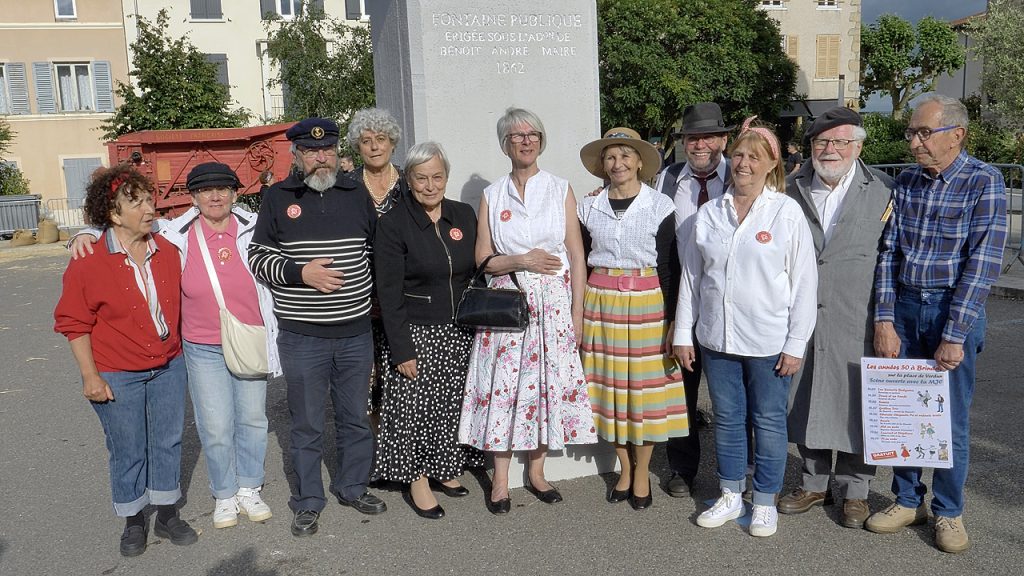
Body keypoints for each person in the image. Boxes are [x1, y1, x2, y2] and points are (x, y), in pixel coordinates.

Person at [69, 163, 281, 532]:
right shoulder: (174, 232)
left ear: (235, 193)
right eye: (205, 190)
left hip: (249, 338)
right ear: (194, 198)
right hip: (201, 345)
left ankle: (250, 487)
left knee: (252, 419)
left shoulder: (256, 226)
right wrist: (82, 234)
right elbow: (120, 230)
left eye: (223, 189)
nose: (215, 196)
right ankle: (225, 494)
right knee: (214, 425)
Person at [866, 93, 1007, 554]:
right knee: (904, 414)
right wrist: (884, 319)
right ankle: (908, 500)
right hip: (904, 306)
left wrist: (954, 335)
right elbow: (888, 252)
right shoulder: (905, 182)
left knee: (948, 419)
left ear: (957, 135)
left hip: (951, 309)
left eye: (924, 133)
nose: (913, 143)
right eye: (911, 133)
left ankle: (948, 511)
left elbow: (982, 264)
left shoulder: (984, 181)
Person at [674, 117, 817, 538]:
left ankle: (766, 499)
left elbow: (804, 282)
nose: (744, 163)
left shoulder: (785, 213)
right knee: (728, 419)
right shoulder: (709, 213)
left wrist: (796, 343)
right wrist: (684, 331)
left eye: (755, 156)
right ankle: (731, 493)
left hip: (769, 340)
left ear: (772, 163)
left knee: (769, 421)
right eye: (738, 154)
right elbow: (692, 278)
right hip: (717, 338)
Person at [248, 117, 385, 538]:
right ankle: (308, 500)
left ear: (336, 152)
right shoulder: (277, 197)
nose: (320, 157)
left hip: (354, 332)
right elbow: (256, 257)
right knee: (306, 423)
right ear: (298, 156)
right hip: (303, 335)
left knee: (354, 417)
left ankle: (352, 485)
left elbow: (376, 251)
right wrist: (300, 272)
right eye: (311, 151)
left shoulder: (355, 192)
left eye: (326, 150)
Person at [458, 107, 598, 514]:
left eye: (533, 134)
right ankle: (500, 481)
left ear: (541, 140)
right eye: (517, 135)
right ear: (505, 144)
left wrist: (577, 315)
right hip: (508, 306)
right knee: (504, 389)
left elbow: (576, 253)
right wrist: (522, 260)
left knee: (543, 386)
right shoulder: (492, 194)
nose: (526, 140)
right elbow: (483, 258)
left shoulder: (559, 188)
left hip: (553, 306)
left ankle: (537, 473)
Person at [54, 165, 197, 557]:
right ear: (114, 214)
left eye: (150, 199)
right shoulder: (88, 260)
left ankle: (167, 514)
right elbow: (73, 322)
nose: (150, 208)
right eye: (137, 203)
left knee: (168, 440)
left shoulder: (166, 251)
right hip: (118, 372)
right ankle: (134, 520)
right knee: (128, 446)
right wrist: (90, 376)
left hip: (168, 365)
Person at [779, 107, 894, 529]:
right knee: (805, 395)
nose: (830, 150)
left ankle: (856, 490)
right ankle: (813, 482)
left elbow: (892, 259)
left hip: (858, 314)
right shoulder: (789, 189)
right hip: (802, 315)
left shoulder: (883, 190)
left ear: (858, 146)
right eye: (821, 142)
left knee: (856, 402)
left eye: (840, 142)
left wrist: (888, 320)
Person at [578, 128, 688, 510]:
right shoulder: (588, 207)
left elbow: (671, 269)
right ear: (602, 166)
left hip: (647, 304)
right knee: (610, 391)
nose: (618, 163)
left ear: (640, 162)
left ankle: (643, 471)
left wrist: (674, 320)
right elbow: (578, 260)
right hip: (601, 305)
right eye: (610, 157)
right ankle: (623, 466)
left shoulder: (660, 206)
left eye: (626, 155)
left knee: (645, 394)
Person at [372, 142, 485, 519]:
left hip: (459, 331)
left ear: (446, 178)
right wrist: (401, 348)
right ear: (408, 179)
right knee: (414, 409)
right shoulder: (393, 224)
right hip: (416, 332)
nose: (430, 185)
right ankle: (417, 478)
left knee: (450, 404)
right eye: (421, 178)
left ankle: (445, 467)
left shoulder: (463, 215)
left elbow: (477, 270)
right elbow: (387, 293)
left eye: (437, 177)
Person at [653, 102, 733, 498]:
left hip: (727, 303)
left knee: (730, 394)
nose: (699, 144)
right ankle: (682, 468)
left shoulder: (741, 174)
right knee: (679, 390)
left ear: (723, 140)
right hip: (680, 300)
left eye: (707, 136)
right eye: (691, 138)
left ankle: (735, 474)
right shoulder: (666, 179)